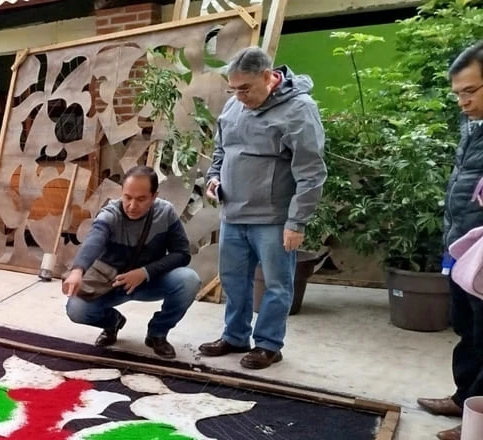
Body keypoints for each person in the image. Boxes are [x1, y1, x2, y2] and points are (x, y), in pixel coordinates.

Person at [198, 46, 327, 370]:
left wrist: (296, 222)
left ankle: (269, 344)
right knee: (233, 280)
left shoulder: (299, 109)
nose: (239, 96)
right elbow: (221, 151)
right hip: (233, 213)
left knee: (277, 284)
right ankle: (235, 336)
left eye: (246, 88)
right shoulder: (233, 106)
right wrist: (213, 178)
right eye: (234, 89)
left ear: (269, 77)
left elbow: (312, 171)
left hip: (273, 218)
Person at [62, 165, 201, 358]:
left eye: (141, 199)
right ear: (122, 193)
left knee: (189, 280)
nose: (132, 206)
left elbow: (182, 253)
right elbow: (94, 239)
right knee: (76, 309)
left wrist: (144, 272)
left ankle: (157, 334)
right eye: (128, 197)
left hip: (149, 280)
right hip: (111, 283)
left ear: (154, 196)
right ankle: (113, 323)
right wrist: (78, 270)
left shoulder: (165, 212)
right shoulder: (110, 214)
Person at [418, 41, 483, 440]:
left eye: (471, 91)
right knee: (468, 330)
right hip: (464, 248)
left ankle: (479, 420)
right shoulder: (473, 127)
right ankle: (464, 399)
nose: (462, 101)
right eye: (458, 93)